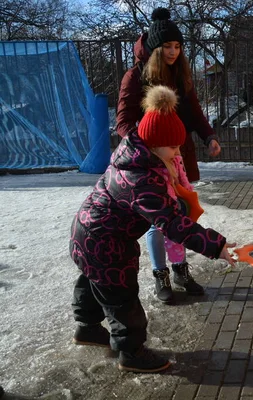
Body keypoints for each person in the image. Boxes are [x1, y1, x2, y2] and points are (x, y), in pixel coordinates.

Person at [71, 85, 235, 373]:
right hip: (105, 241)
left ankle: (87, 328)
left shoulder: (133, 155)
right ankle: (131, 352)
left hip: (87, 231)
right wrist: (216, 246)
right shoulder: (142, 179)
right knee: (121, 295)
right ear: (155, 145)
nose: (176, 153)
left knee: (93, 278)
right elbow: (172, 224)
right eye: (172, 147)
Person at [116, 7, 221, 302]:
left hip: (178, 157)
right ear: (154, 48)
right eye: (167, 46)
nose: (174, 52)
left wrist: (209, 136)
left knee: (181, 214)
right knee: (157, 222)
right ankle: (160, 276)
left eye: (178, 46)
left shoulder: (180, 75)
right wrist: (146, 145)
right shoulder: (134, 77)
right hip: (148, 162)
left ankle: (180, 271)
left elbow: (195, 112)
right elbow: (123, 123)